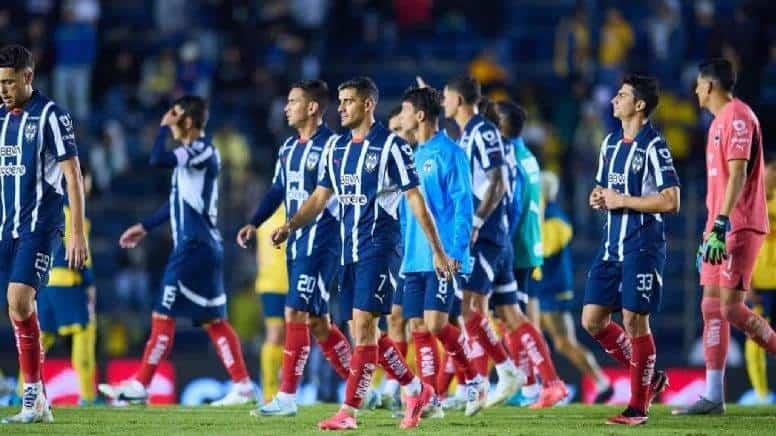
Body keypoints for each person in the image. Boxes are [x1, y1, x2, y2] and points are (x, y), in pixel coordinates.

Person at [271, 77, 457, 430]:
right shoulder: (336, 149)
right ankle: (417, 389)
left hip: (381, 247)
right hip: (349, 251)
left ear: (368, 104)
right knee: (362, 330)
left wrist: (438, 250)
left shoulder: (392, 147)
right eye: (339, 101)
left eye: (348, 101)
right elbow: (320, 197)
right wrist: (291, 225)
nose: (340, 108)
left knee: (365, 325)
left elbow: (416, 200)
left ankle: (349, 412)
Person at [98, 96, 256, 407]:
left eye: (175, 114)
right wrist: (145, 226)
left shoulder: (199, 150)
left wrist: (161, 129)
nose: (170, 117)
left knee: (163, 314)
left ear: (186, 121)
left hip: (193, 247)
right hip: (204, 247)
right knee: (214, 321)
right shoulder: (196, 153)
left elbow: (157, 159)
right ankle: (243, 386)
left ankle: (141, 386)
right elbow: (176, 202)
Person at [444, 77, 567, 408]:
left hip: (496, 239)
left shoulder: (484, 136)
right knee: (507, 314)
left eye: (445, 98)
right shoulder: (516, 151)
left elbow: (502, 190)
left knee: (471, 310)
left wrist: (478, 224)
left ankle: (489, 379)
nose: (443, 103)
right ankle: (542, 382)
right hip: (512, 242)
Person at [236, 80, 352, 416]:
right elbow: (277, 190)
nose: (286, 108)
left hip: (322, 240)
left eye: (293, 102)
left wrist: (288, 225)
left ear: (313, 107)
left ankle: (287, 397)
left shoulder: (333, 145)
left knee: (294, 313)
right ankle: (361, 385)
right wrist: (254, 222)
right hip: (297, 242)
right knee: (318, 323)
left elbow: (321, 198)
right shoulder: (288, 148)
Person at [673, 59, 773, 415]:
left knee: (731, 307)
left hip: (739, 224)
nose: (696, 91)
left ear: (710, 85)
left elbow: (738, 174)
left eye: (699, 85)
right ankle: (714, 396)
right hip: (717, 228)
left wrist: (721, 224)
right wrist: (709, 230)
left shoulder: (738, 116)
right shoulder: (717, 122)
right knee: (710, 306)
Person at [582, 74, 678, 425]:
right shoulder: (609, 143)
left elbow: (671, 201)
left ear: (639, 105)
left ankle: (638, 408)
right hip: (611, 245)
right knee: (592, 320)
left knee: (635, 321)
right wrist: (598, 196)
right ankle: (650, 379)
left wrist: (621, 200)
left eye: (621, 95)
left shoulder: (655, 146)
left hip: (643, 245)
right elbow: (603, 187)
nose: (613, 100)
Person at [0, 44, 89, 424]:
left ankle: (33, 396)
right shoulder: (0, 118)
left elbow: (72, 175)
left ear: (28, 77)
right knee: (17, 308)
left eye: (8, 81)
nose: (2, 89)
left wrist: (76, 233)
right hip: (7, 227)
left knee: (19, 300)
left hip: (40, 226)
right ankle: (38, 400)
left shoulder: (52, 115)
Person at [397, 86, 488, 417]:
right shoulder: (409, 156)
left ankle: (475, 379)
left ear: (420, 116)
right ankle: (429, 396)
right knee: (418, 328)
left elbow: (464, 204)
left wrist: (456, 251)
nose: (401, 117)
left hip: (444, 255)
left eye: (405, 111)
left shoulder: (451, 153)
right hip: (414, 255)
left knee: (436, 324)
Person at [485, 100, 566, 408]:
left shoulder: (512, 158)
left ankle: (537, 383)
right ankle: (530, 384)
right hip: (527, 246)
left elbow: (514, 206)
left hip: (514, 246)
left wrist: (498, 241)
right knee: (510, 318)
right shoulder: (528, 156)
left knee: (511, 317)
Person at [530, 171, 613, 404]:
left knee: (563, 341)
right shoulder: (541, 216)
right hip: (540, 287)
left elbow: (541, 250)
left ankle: (600, 381)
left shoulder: (557, 220)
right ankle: (542, 383)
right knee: (534, 336)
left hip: (552, 289)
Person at [36, 169, 97, 406]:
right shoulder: (74, 213)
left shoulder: (45, 207)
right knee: (85, 331)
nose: (89, 186)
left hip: (43, 282)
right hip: (68, 282)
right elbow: (79, 253)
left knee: (38, 339)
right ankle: (88, 396)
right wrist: (89, 283)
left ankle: (23, 391)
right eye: (85, 180)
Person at [745, 159, 776, 404]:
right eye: (769, 170)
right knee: (755, 337)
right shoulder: (752, 199)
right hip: (762, 283)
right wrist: (748, 281)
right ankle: (762, 393)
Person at [253, 207, 289, 404]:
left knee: (290, 336)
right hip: (271, 284)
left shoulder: (296, 209)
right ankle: (269, 391)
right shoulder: (264, 215)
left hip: (292, 281)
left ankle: (286, 388)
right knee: (274, 334)